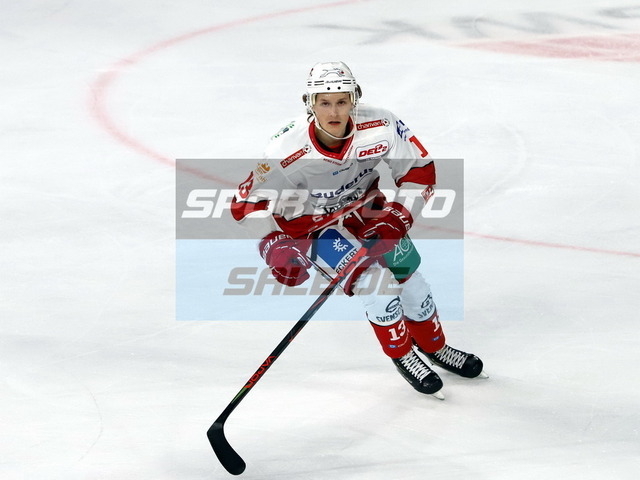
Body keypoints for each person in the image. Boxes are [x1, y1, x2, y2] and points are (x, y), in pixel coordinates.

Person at [231, 61, 485, 397]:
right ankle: (403, 354)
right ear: (309, 104)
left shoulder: (381, 124)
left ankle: (435, 347)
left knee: (412, 282)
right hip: (314, 225)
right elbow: (246, 203)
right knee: (377, 288)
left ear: (355, 98)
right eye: (324, 102)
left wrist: (397, 218)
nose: (334, 111)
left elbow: (419, 171)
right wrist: (275, 247)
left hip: (368, 211)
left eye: (342, 101)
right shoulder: (285, 149)